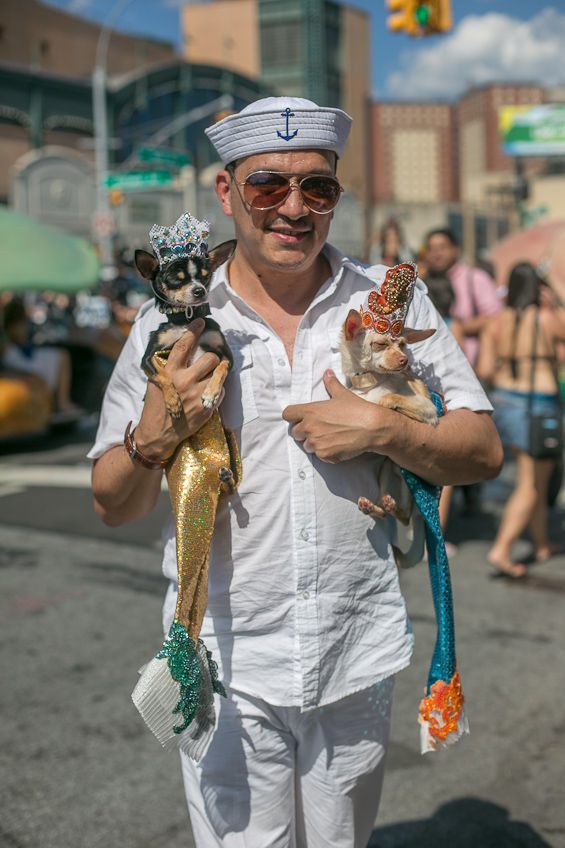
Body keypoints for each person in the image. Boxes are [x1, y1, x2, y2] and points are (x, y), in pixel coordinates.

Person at [89, 97, 502, 848]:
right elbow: (112, 504)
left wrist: (383, 429)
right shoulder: (170, 322)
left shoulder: (385, 302)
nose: (292, 208)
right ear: (226, 193)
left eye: (316, 188)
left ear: (335, 196)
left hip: (355, 648)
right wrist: (153, 437)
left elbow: (481, 452)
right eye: (266, 185)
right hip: (226, 658)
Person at [477, 262, 565, 579]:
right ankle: (502, 549)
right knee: (530, 484)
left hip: (503, 402)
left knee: (536, 478)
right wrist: (555, 302)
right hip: (537, 405)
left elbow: (485, 370)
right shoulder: (546, 318)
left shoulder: (495, 323)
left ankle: (541, 544)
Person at [424, 228, 502, 369]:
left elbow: (495, 318)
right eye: (432, 249)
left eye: (442, 248)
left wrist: (454, 328)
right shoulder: (422, 284)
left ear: (456, 249)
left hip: (473, 366)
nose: (437, 254)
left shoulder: (476, 278)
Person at [2, 297, 81, 420]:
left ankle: (61, 402)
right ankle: (62, 402)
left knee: (61, 355)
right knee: (61, 356)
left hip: (24, 358)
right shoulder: (8, 339)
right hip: (21, 363)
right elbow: (19, 340)